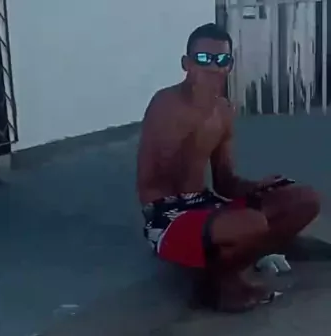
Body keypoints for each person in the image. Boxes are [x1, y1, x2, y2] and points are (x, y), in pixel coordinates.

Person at [137, 22, 321, 312]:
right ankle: (216, 284)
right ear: (186, 64)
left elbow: (224, 181)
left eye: (222, 59)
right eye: (204, 59)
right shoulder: (166, 103)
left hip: (208, 204)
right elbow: (162, 180)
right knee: (252, 223)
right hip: (168, 213)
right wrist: (197, 120)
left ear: (230, 66)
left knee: (305, 199)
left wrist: (256, 187)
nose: (213, 67)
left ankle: (250, 254)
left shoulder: (223, 110)